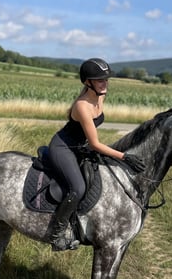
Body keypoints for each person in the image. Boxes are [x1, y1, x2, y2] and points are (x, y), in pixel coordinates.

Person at [47, 58, 146, 251]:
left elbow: (91, 140)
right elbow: (95, 143)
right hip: (63, 148)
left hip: (81, 146)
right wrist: (125, 157)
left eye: (106, 79)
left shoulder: (100, 95)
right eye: (100, 80)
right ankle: (56, 234)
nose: (105, 83)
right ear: (87, 82)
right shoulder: (82, 106)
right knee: (77, 187)